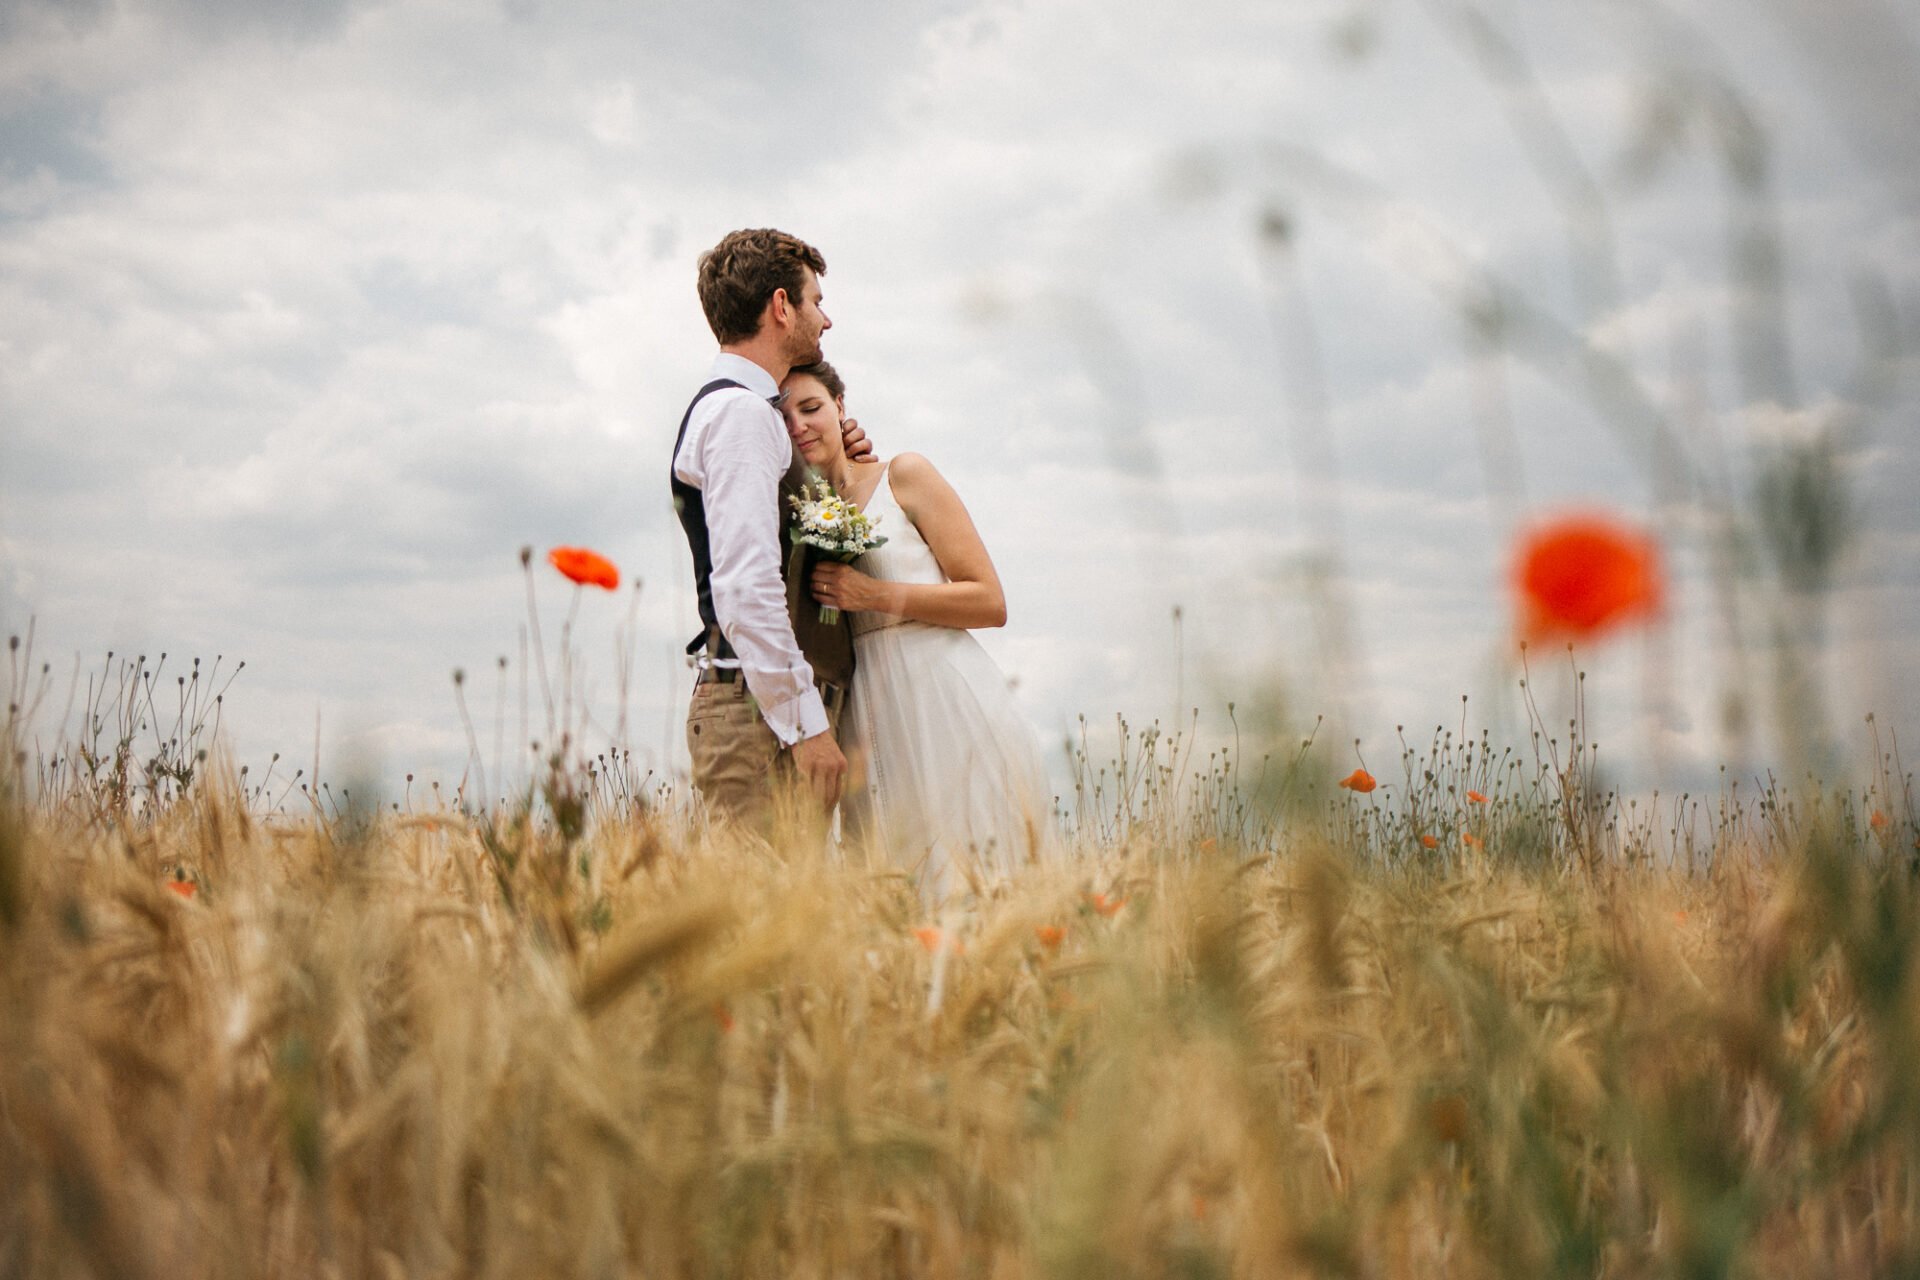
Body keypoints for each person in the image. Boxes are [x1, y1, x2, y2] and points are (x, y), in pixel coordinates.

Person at [779, 359, 1054, 899]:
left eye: (811, 408)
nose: (800, 426)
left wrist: (873, 596)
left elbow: (989, 601)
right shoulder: (802, 509)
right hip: (866, 715)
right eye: (784, 419)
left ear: (840, 408)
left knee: (973, 878)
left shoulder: (903, 475)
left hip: (943, 699)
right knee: (893, 891)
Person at [670, 228, 870, 828]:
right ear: (782, 307)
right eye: (815, 302)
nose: (825, 320)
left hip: (759, 709)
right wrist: (807, 728)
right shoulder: (740, 413)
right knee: (756, 913)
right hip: (757, 715)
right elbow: (748, 584)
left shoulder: (750, 412)